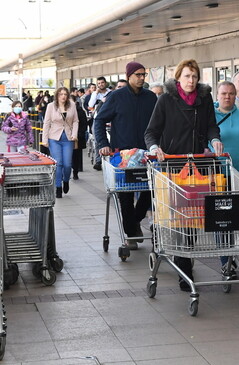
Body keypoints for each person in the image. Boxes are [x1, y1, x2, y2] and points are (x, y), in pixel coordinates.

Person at [145, 59, 222, 291]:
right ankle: (183, 265)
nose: (191, 81)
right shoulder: (166, 99)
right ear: (178, 78)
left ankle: (184, 261)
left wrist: (215, 139)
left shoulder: (204, 98)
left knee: (193, 219)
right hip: (172, 165)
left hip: (196, 166)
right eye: (187, 76)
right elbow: (151, 132)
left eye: (195, 77)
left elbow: (211, 125)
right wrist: (154, 148)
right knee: (177, 219)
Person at [95, 61, 157, 249]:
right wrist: (104, 144)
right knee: (126, 196)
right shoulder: (116, 97)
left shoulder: (150, 97)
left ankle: (134, 222)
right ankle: (131, 233)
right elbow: (99, 121)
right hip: (124, 156)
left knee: (149, 192)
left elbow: (159, 123)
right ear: (129, 75)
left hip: (146, 155)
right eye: (137, 74)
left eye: (143, 75)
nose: (141, 78)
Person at [212, 81, 239, 277]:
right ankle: (226, 260)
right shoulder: (210, 117)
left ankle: (231, 253)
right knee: (222, 219)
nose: (227, 97)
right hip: (219, 176)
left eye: (230, 93)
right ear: (217, 95)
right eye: (223, 94)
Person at [41, 87, 79, 199]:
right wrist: (45, 139)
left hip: (68, 138)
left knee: (67, 164)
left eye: (65, 94)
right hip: (54, 138)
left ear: (67, 96)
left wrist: (75, 134)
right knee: (58, 164)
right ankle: (58, 187)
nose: (63, 96)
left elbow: (76, 121)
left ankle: (66, 180)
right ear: (57, 95)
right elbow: (46, 123)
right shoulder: (51, 106)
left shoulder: (72, 105)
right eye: (61, 94)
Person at [71, 95, 88, 180]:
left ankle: (75, 171)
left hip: (77, 137)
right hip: (67, 137)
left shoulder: (80, 111)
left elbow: (84, 124)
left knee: (76, 155)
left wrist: (79, 134)